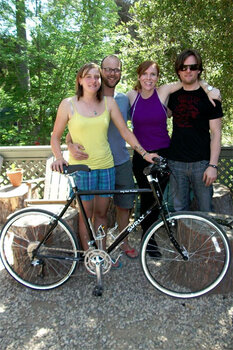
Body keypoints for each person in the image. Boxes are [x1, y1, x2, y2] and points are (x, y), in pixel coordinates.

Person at [50, 62, 157, 259]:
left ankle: (102, 254)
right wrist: (59, 157)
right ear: (80, 80)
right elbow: (55, 136)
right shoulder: (68, 104)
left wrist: (144, 153)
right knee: (86, 216)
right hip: (81, 169)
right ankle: (90, 256)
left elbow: (125, 131)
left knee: (101, 214)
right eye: (88, 76)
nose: (93, 80)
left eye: (96, 77)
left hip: (106, 167)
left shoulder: (109, 103)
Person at [127, 60, 220, 241]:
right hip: (141, 154)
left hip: (163, 154)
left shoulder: (163, 91)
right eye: (144, 74)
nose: (148, 78)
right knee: (146, 196)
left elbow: (191, 79)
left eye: (153, 74)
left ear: (157, 77)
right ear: (138, 76)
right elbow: (115, 119)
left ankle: (165, 235)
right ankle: (148, 238)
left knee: (159, 199)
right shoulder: (131, 96)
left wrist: (210, 89)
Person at [66, 55, 138, 259]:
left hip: (121, 161)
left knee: (124, 206)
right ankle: (92, 254)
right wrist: (70, 146)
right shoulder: (86, 99)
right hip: (92, 164)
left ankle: (122, 243)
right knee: (91, 213)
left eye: (116, 69)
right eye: (107, 69)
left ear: (121, 72)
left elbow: (131, 127)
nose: (112, 73)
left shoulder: (124, 99)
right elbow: (70, 134)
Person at [167, 49, 223, 212]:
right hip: (176, 163)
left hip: (202, 164)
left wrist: (213, 165)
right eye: (183, 67)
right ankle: (183, 239)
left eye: (192, 67)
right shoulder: (174, 95)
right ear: (178, 70)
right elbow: (160, 117)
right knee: (178, 212)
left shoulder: (211, 97)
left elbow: (216, 133)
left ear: (199, 69)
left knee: (205, 211)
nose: (188, 71)